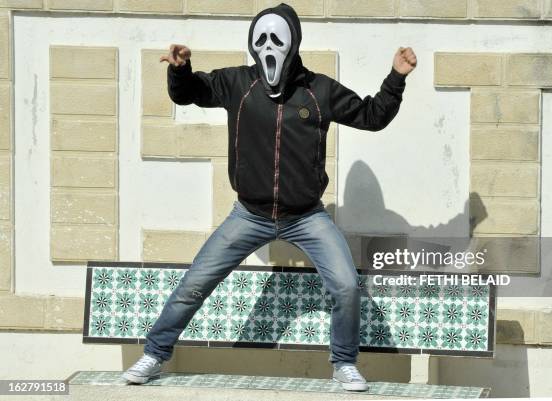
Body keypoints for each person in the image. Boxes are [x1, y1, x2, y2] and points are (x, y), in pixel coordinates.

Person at [122, 2, 416, 392]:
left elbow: (371, 116)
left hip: (306, 217)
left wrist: (395, 78)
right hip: (249, 214)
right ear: (251, 45)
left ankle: (344, 363)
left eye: (278, 39)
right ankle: (155, 354)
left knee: (345, 285)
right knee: (196, 281)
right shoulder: (237, 84)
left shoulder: (319, 91)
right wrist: (180, 71)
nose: (269, 48)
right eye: (260, 40)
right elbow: (189, 94)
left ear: (293, 45)